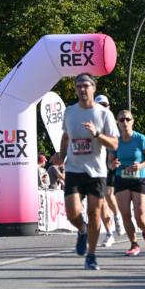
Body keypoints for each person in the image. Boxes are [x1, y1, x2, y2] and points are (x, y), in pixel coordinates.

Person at [59, 74, 119, 271]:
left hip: (97, 172)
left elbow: (114, 143)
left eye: (86, 85)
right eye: (78, 86)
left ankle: (91, 255)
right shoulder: (70, 112)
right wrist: (61, 156)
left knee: (94, 213)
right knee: (72, 213)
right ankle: (82, 229)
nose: (82, 89)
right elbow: (66, 136)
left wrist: (97, 134)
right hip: (74, 169)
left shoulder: (104, 114)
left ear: (94, 88)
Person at [110, 109, 145, 256]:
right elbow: (109, 163)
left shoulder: (140, 138)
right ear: (118, 123)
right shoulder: (115, 141)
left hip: (139, 179)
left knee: (140, 215)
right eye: (121, 120)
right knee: (125, 214)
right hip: (121, 179)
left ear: (132, 122)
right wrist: (113, 164)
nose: (125, 122)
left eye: (127, 119)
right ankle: (134, 244)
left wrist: (141, 165)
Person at [95, 94, 125, 246]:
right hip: (95, 165)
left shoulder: (112, 122)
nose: (102, 108)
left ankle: (118, 216)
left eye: (105, 105)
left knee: (108, 194)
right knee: (99, 201)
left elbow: (120, 144)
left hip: (111, 163)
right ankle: (109, 233)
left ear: (109, 107)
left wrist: (116, 161)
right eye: (99, 105)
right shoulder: (91, 122)